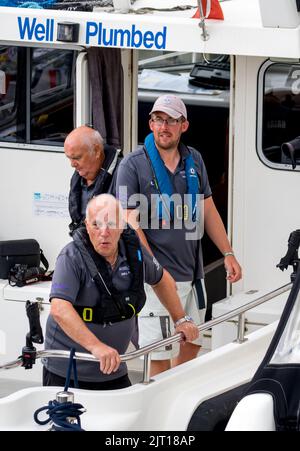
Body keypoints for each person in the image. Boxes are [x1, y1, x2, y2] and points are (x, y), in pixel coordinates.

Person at [116, 94, 242, 376]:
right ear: (150, 123)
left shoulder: (193, 159)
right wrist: (155, 269)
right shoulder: (132, 165)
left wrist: (228, 253)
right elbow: (129, 224)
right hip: (156, 279)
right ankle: (164, 409)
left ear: (184, 125)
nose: (164, 126)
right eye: (158, 119)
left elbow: (207, 208)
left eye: (171, 120)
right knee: (159, 354)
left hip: (191, 272)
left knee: (194, 342)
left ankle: (174, 390)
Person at [43, 194, 199, 390]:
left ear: (122, 225)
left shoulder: (134, 252)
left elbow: (162, 280)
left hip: (114, 367)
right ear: (86, 225)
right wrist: (96, 347)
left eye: (111, 223)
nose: (104, 232)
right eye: (96, 224)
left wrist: (181, 319)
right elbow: (59, 309)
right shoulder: (71, 257)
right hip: (68, 371)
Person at [64, 125, 121, 234]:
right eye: (69, 158)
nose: (72, 164)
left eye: (76, 158)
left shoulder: (123, 175)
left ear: (97, 151)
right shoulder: (77, 178)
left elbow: (129, 227)